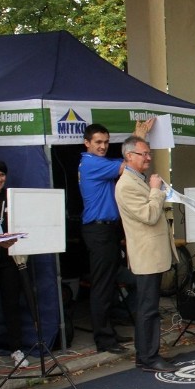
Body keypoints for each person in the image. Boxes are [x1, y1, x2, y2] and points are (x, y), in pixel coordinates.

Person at [79, 120, 153, 355]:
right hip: (98, 230)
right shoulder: (90, 164)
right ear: (87, 143)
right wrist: (137, 136)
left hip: (108, 230)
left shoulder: (99, 162)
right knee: (102, 285)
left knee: (110, 283)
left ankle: (108, 332)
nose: (102, 146)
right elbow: (126, 165)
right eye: (98, 142)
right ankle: (104, 339)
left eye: (106, 142)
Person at [114, 136, 178, 373]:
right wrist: (156, 191)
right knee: (147, 308)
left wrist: (154, 191)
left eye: (149, 153)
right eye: (144, 154)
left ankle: (150, 354)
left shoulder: (136, 180)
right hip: (145, 255)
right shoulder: (126, 185)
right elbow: (149, 215)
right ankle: (148, 357)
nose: (149, 158)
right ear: (129, 156)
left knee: (151, 307)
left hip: (154, 253)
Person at [0, 161, 28, 368]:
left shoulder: (11, 197)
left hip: (8, 259)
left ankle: (16, 349)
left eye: (2, 175)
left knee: (12, 306)